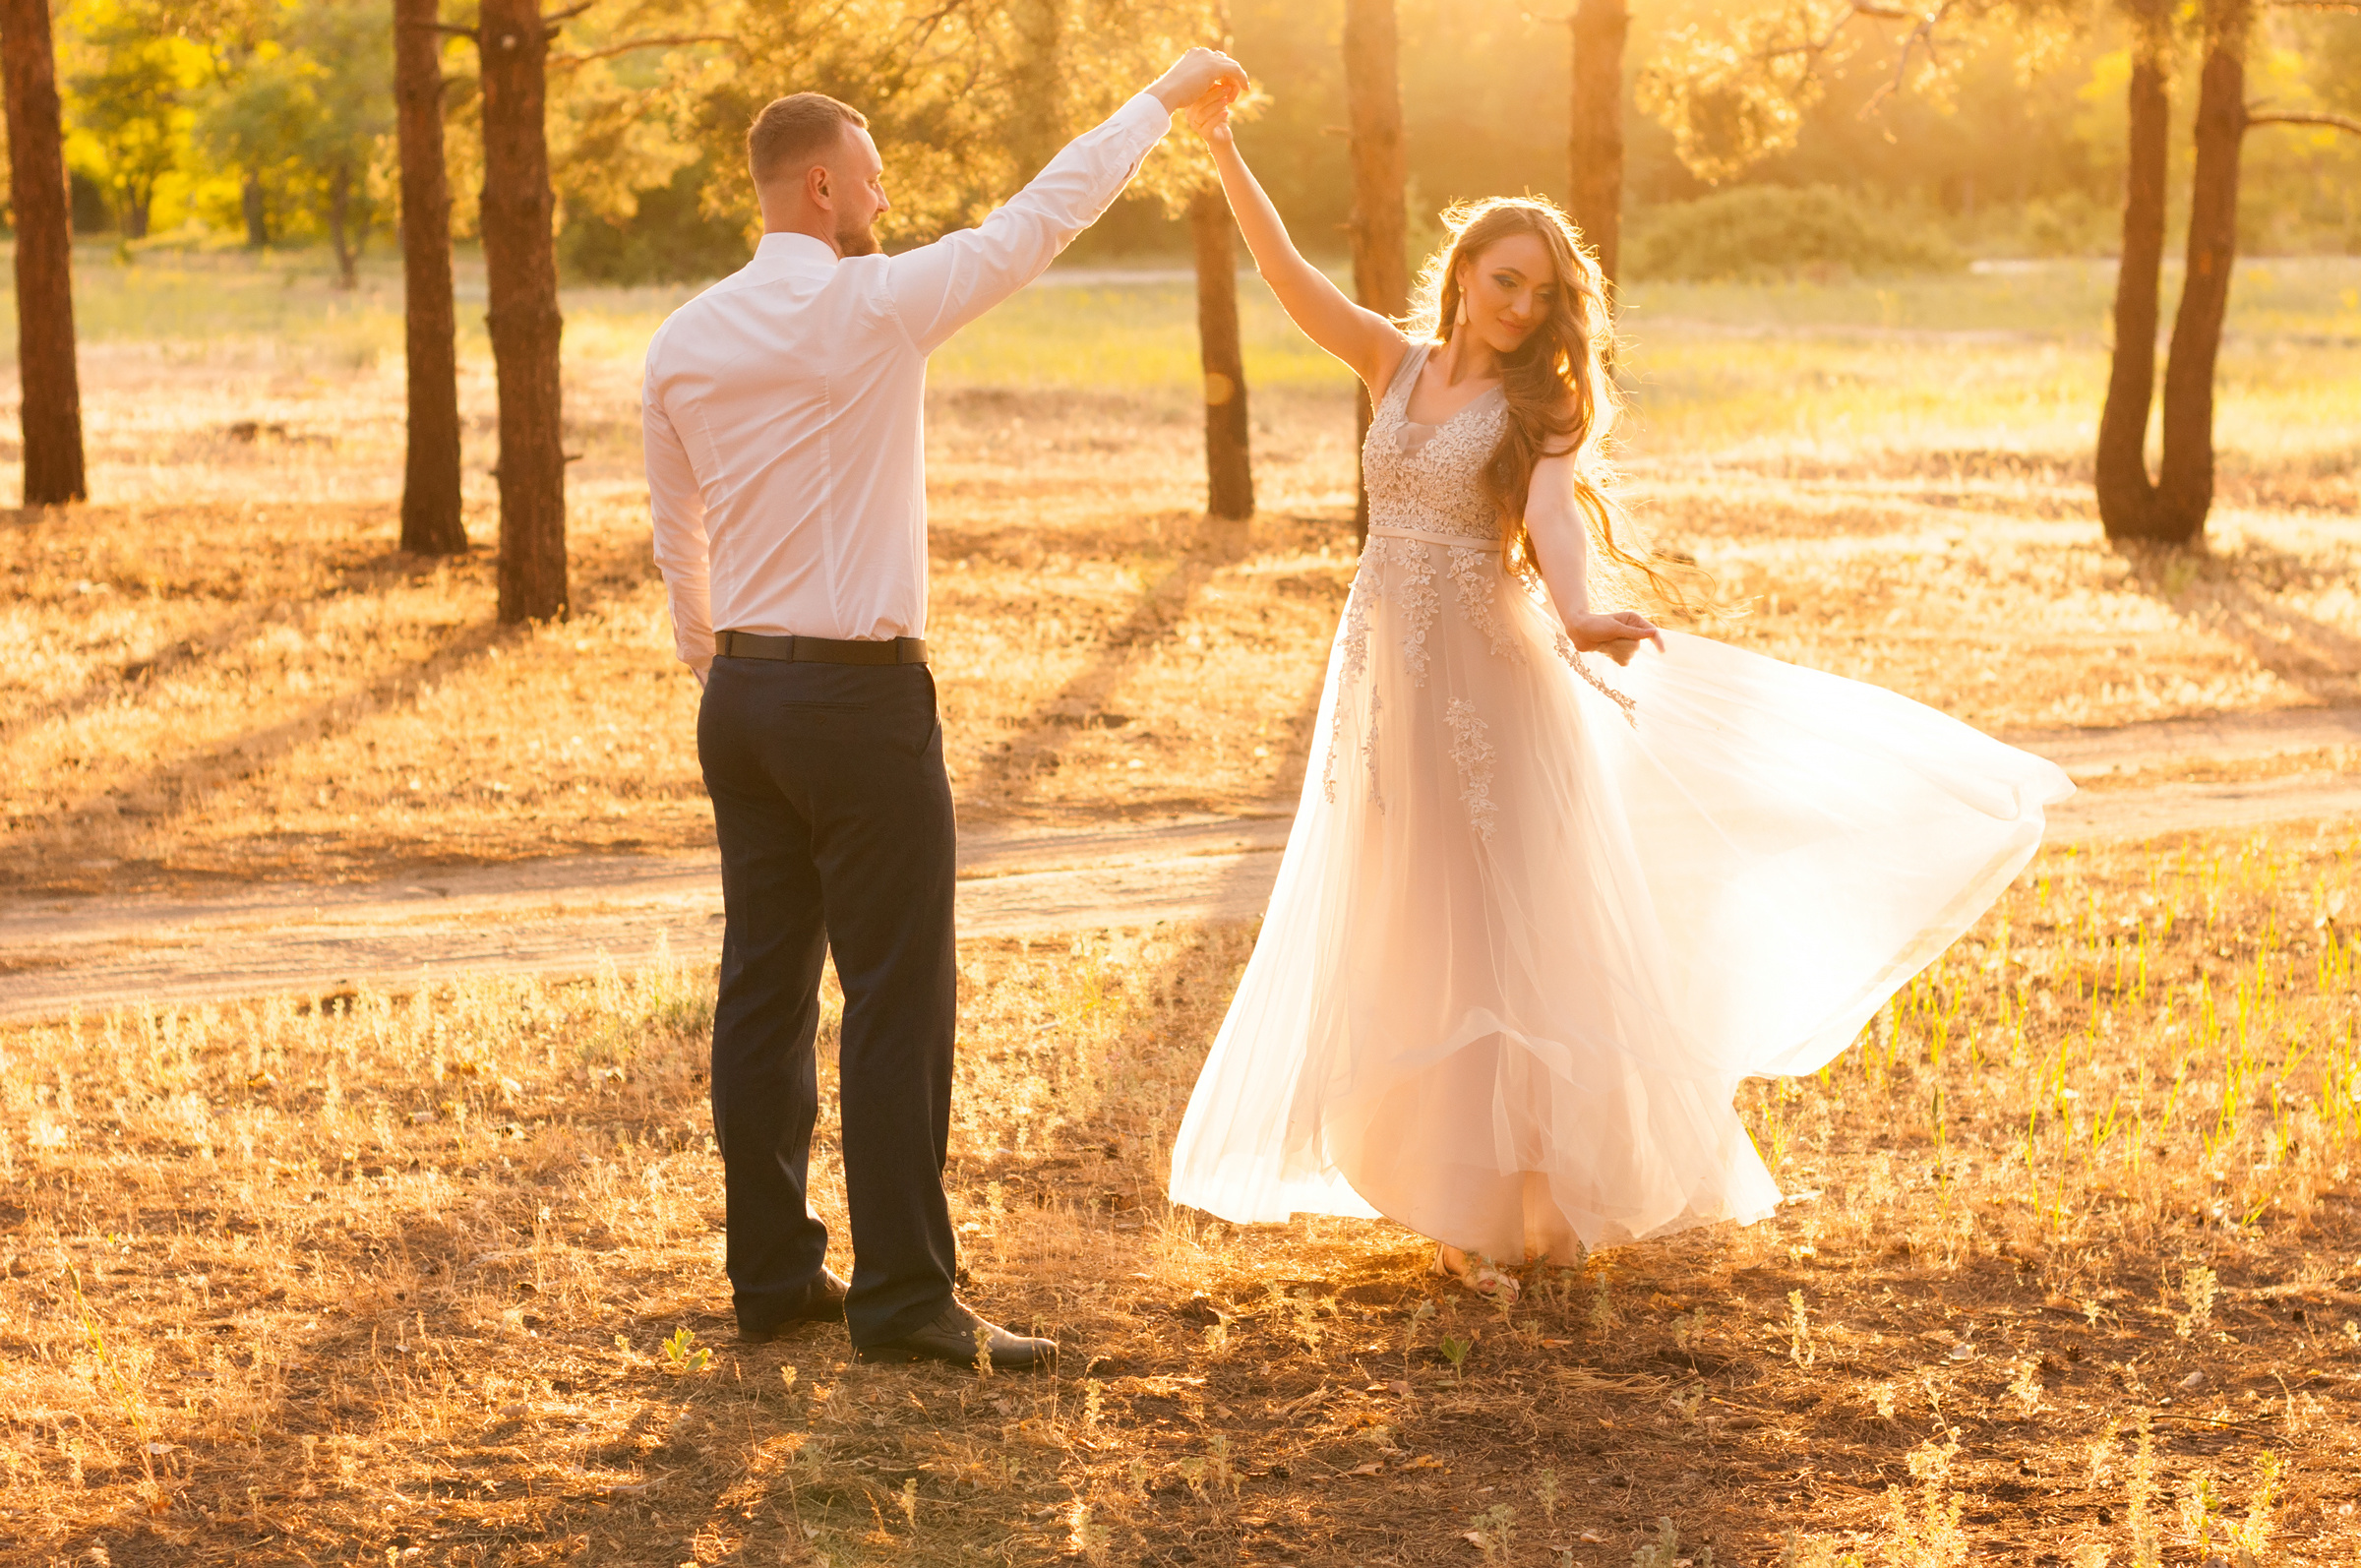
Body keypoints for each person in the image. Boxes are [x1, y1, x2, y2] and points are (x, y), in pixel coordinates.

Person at [1164, 86, 2075, 1301]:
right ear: (1463, 273)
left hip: (1490, 686)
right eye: (1504, 281)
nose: (1522, 306)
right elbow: (1285, 277)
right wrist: (1223, 146)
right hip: (1386, 686)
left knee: (1509, 933)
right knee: (1411, 922)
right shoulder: (1392, 361)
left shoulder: (1538, 410)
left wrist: (1584, 613)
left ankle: (1539, 1200)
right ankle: (1459, 1198)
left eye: (1540, 292)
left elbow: (1549, 524)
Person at [643, 48, 1249, 1369]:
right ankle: (908, 1296)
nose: (883, 192)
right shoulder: (873, 307)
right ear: (819, 185)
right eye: (868, 174)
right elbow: (1038, 219)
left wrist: (717, 663)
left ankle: (772, 1275)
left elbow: (671, 531)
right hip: (857, 702)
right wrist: (1154, 99)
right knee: (897, 996)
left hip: (740, 697)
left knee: (762, 988)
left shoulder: (685, 334)